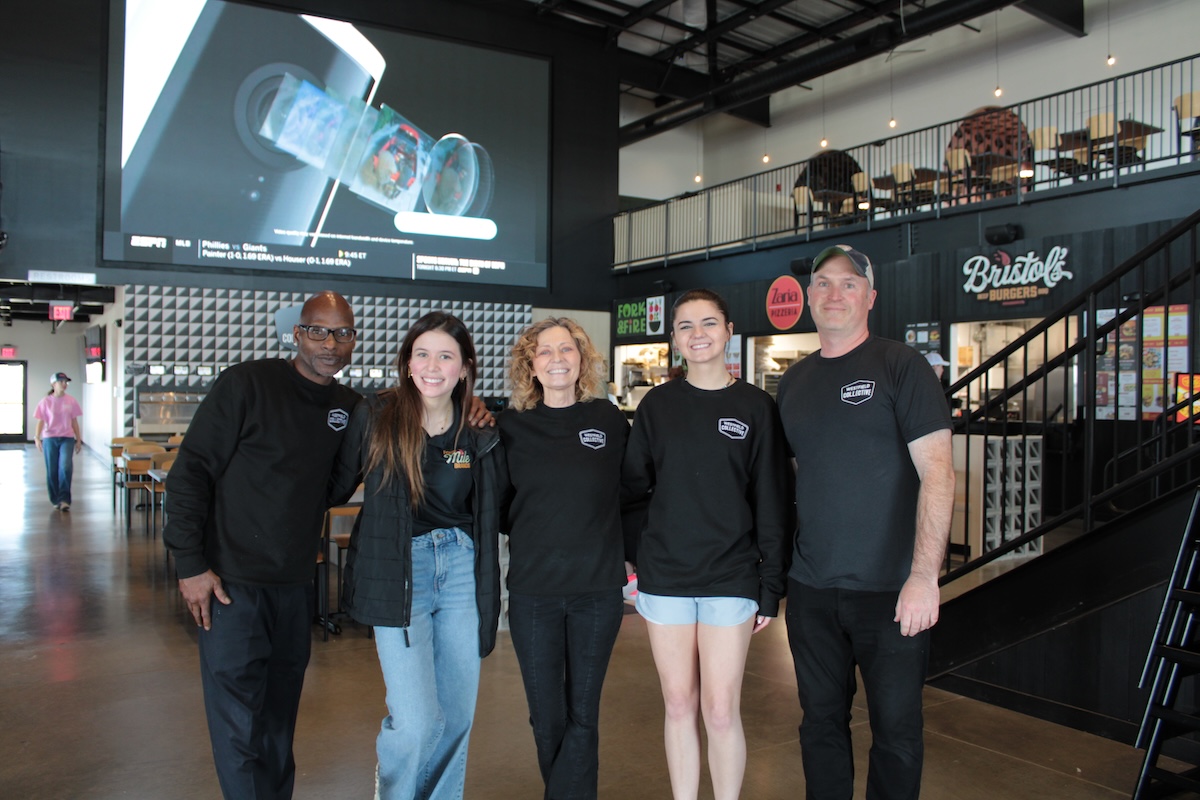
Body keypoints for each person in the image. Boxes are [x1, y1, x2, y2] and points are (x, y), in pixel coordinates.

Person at [164, 291, 363, 800]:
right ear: (297, 334)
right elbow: (190, 475)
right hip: (231, 586)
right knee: (240, 729)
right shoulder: (247, 384)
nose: (330, 343)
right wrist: (191, 566)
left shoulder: (348, 407)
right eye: (318, 330)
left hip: (295, 587)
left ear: (354, 342)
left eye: (342, 333)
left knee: (277, 725)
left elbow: (334, 487)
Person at [775, 245, 955, 800]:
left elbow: (940, 475)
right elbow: (798, 480)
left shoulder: (901, 366)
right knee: (819, 725)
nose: (834, 293)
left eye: (849, 284)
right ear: (808, 297)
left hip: (891, 592)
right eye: (823, 283)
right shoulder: (793, 383)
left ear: (870, 297)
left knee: (896, 734)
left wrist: (924, 577)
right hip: (812, 589)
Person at [622, 288, 791, 800]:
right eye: (686, 326)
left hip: (731, 576)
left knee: (720, 709)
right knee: (678, 704)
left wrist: (771, 585)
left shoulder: (757, 408)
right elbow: (631, 491)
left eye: (708, 323)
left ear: (729, 331)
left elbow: (773, 501)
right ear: (673, 338)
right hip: (667, 576)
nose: (698, 334)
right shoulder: (657, 405)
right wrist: (635, 564)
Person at [329, 311, 505, 800]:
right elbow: (335, 483)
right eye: (422, 354)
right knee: (416, 718)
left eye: (446, 356)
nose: (433, 365)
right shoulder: (378, 416)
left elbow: (499, 506)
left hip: (461, 571)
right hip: (400, 569)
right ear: (407, 363)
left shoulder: (479, 431)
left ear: (465, 367)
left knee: (456, 716)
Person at [498, 317, 629, 799]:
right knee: (546, 712)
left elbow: (628, 492)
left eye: (567, 349)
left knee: (583, 710)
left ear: (582, 359)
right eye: (545, 351)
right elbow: (501, 504)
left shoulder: (608, 420)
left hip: (596, 590)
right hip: (534, 592)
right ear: (530, 364)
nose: (557, 359)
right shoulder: (510, 427)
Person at [34, 372, 83, 511]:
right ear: (53, 384)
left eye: (66, 381)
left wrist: (78, 439)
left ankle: (64, 499)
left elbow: (74, 421)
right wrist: (37, 437)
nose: (64, 384)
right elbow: (41, 421)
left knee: (65, 466)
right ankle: (55, 499)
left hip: (67, 438)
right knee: (52, 469)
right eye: (61, 381)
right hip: (50, 438)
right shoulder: (45, 401)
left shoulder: (71, 401)